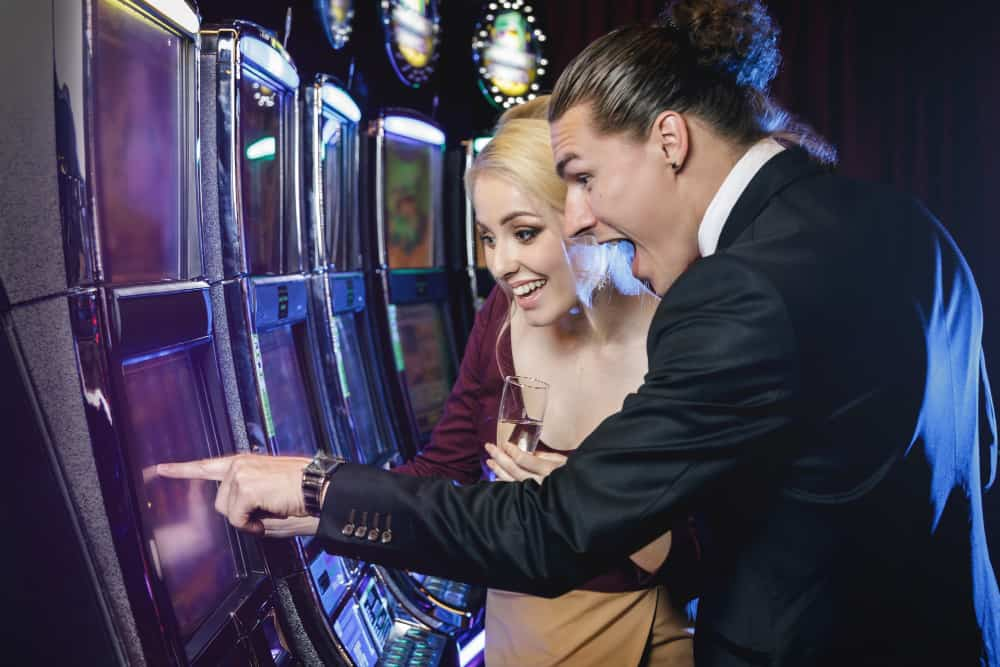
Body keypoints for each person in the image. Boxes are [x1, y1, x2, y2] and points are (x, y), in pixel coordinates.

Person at [159, 0, 999, 664]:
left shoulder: (736, 292)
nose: (584, 218)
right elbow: (978, 457)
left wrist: (315, 486)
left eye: (586, 178)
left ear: (669, 139)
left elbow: (554, 531)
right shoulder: (912, 226)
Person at [391, 96, 695, 665]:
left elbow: (735, 544)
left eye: (524, 233)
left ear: (587, 214)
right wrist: (317, 496)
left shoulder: (683, 329)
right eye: (488, 237)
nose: (500, 264)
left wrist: (593, 505)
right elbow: (443, 469)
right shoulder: (499, 322)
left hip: (657, 635)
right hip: (522, 635)